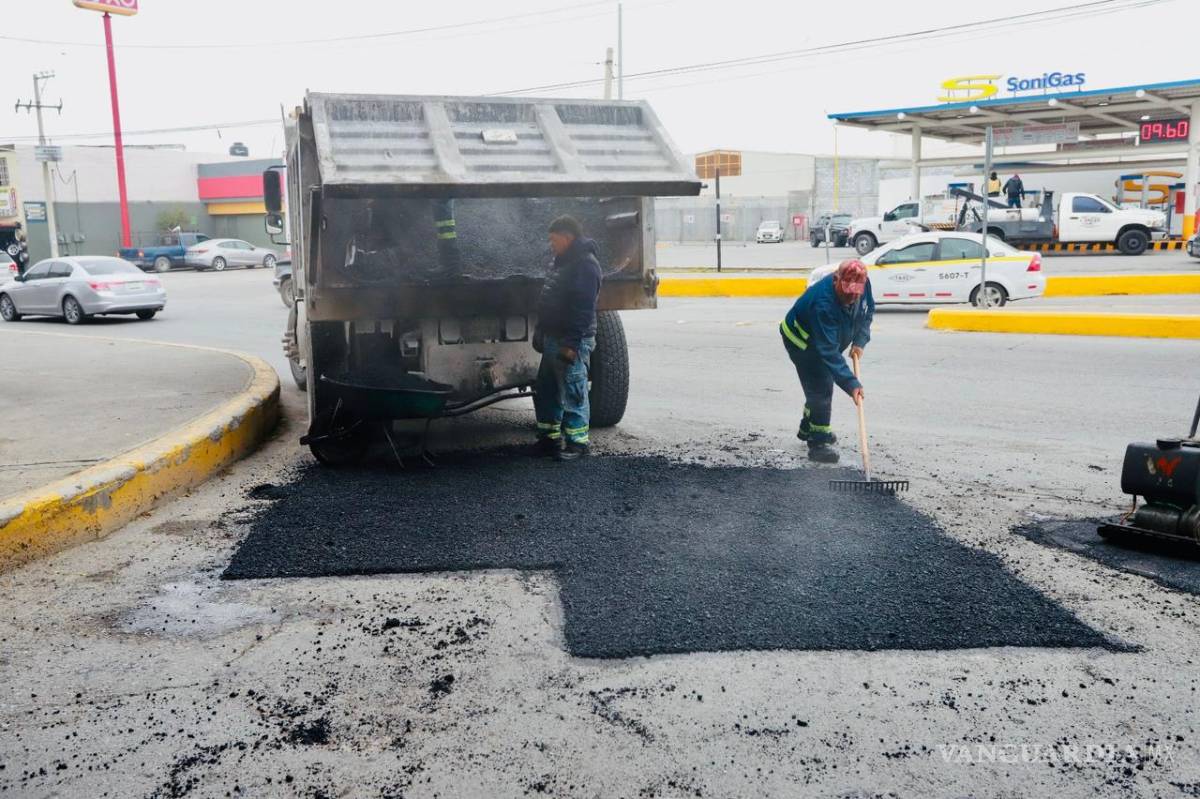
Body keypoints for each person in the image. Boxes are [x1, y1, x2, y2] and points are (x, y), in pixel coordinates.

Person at [779, 259, 874, 464]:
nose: (852, 297)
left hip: (826, 340)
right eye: (847, 291)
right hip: (802, 340)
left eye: (856, 293)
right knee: (821, 386)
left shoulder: (862, 284)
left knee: (818, 386)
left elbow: (867, 313)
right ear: (836, 280)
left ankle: (808, 427)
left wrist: (860, 341)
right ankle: (818, 442)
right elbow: (829, 353)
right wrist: (852, 384)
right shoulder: (823, 303)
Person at [532, 215, 602, 462]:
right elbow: (549, 299)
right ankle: (549, 438)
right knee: (547, 388)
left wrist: (571, 344)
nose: (551, 245)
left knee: (573, 388)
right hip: (554, 337)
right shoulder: (561, 262)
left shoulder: (585, 265)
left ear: (567, 237)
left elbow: (583, 310)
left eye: (554, 240)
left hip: (571, 341)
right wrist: (541, 329)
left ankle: (577, 443)